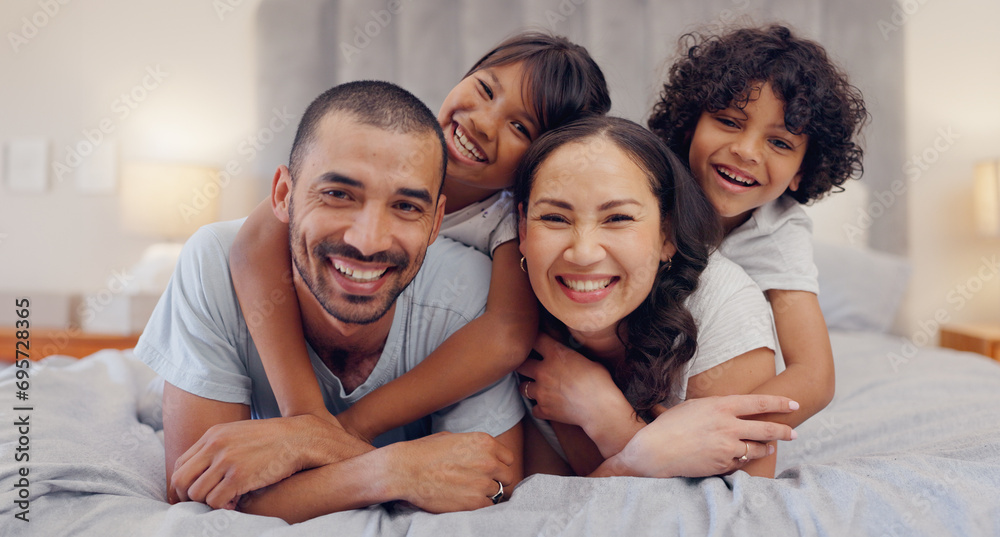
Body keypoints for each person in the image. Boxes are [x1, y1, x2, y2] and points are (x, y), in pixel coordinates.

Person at [135, 80, 525, 523]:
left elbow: (489, 487)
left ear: (437, 222)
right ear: (283, 195)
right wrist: (395, 470)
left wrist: (305, 441)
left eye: (406, 207)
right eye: (339, 195)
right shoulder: (216, 263)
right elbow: (197, 499)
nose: (367, 240)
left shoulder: (474, 295)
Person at [229, 32, 612, 443]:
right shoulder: (389, 143)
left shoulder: (507, 221)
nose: (483, 122)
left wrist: (349, 428)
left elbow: (505, 336)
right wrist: (303, 412)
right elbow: (253, 242)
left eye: (519, 126)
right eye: (484, 89)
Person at [513, 115, 798, 478]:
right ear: (522, 228)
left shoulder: (724, 305)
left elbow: (742, 513)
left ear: (667, 233)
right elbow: (543, 510)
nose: (582, 253)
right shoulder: (505, 325)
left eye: (618, 218)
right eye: (554, 218)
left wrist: (610, 421)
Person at [647, 25, 869, 430]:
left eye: (780, 143)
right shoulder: (646, 185)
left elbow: (814, 377)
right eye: (729, 121)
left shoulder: (778, 231)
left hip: (696, 381)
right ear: (689, 124)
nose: (746, 151)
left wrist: (711, 428)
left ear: (803, 171)